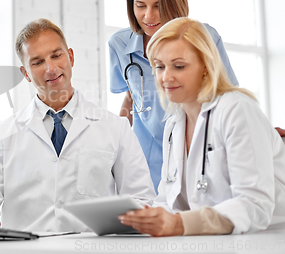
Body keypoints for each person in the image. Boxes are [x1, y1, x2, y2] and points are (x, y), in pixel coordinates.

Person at [0, 18, 156, 232]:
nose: (51, 68)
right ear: (25, 73)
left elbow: (142, 199)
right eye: (37, 62)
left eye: (56, 55)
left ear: (71, 57)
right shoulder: (3, 133)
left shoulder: (115, 128)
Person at [118, 17, 285, 236]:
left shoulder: (236, 109)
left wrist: (179, 224)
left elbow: (255, 205)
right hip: (212, 243)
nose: (166, 77)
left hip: (265, 240)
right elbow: (169, 202)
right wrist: (135, 220)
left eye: (179, 66)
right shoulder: (173, 124)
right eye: (159, 66)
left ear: (206, 67)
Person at [108, 0, 238, 192]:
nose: (148, 16)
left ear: (174, 2)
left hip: (197, 147)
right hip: (145, 156)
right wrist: (113, 143)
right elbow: (131, 96)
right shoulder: (119, 44)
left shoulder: (205, 37)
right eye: (140, 5)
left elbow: (227, 96)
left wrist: (257, 132)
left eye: (158, 6)